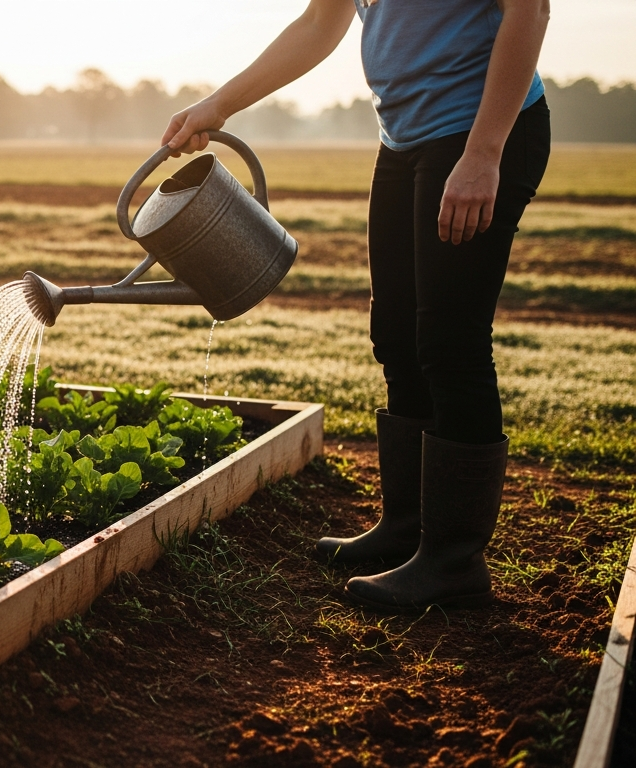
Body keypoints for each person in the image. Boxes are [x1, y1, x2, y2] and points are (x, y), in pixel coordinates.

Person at [162, 0, 550, 611]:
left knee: (450, 341)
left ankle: (454, 561)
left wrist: (484, 153)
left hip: (477, 135)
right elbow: (322, 22)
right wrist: (219, 104)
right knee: (395, 334)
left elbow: (529, 10)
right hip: (404, 141)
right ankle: (408, 528)